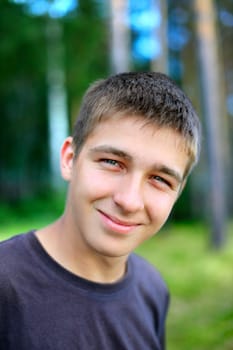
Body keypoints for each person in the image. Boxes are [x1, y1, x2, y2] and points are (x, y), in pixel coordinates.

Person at [0, 72, 201, 350]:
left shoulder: (152, 289)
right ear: (70, 159)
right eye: (112, 162)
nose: (129, 201)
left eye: (160, 180)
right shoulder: (6, 284)